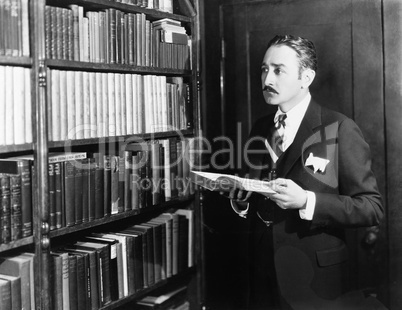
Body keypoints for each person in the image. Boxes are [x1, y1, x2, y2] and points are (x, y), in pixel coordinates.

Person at [222, 35, 384, 309]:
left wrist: (308, 201)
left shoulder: (339, 128)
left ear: (306, 77)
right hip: (261, 271)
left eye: (278, 70)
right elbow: (255, 189)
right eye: (264, 69)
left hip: (316, 277)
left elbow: (371, 207)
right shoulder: (261, 127)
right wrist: (240, 199)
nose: (267, 79)